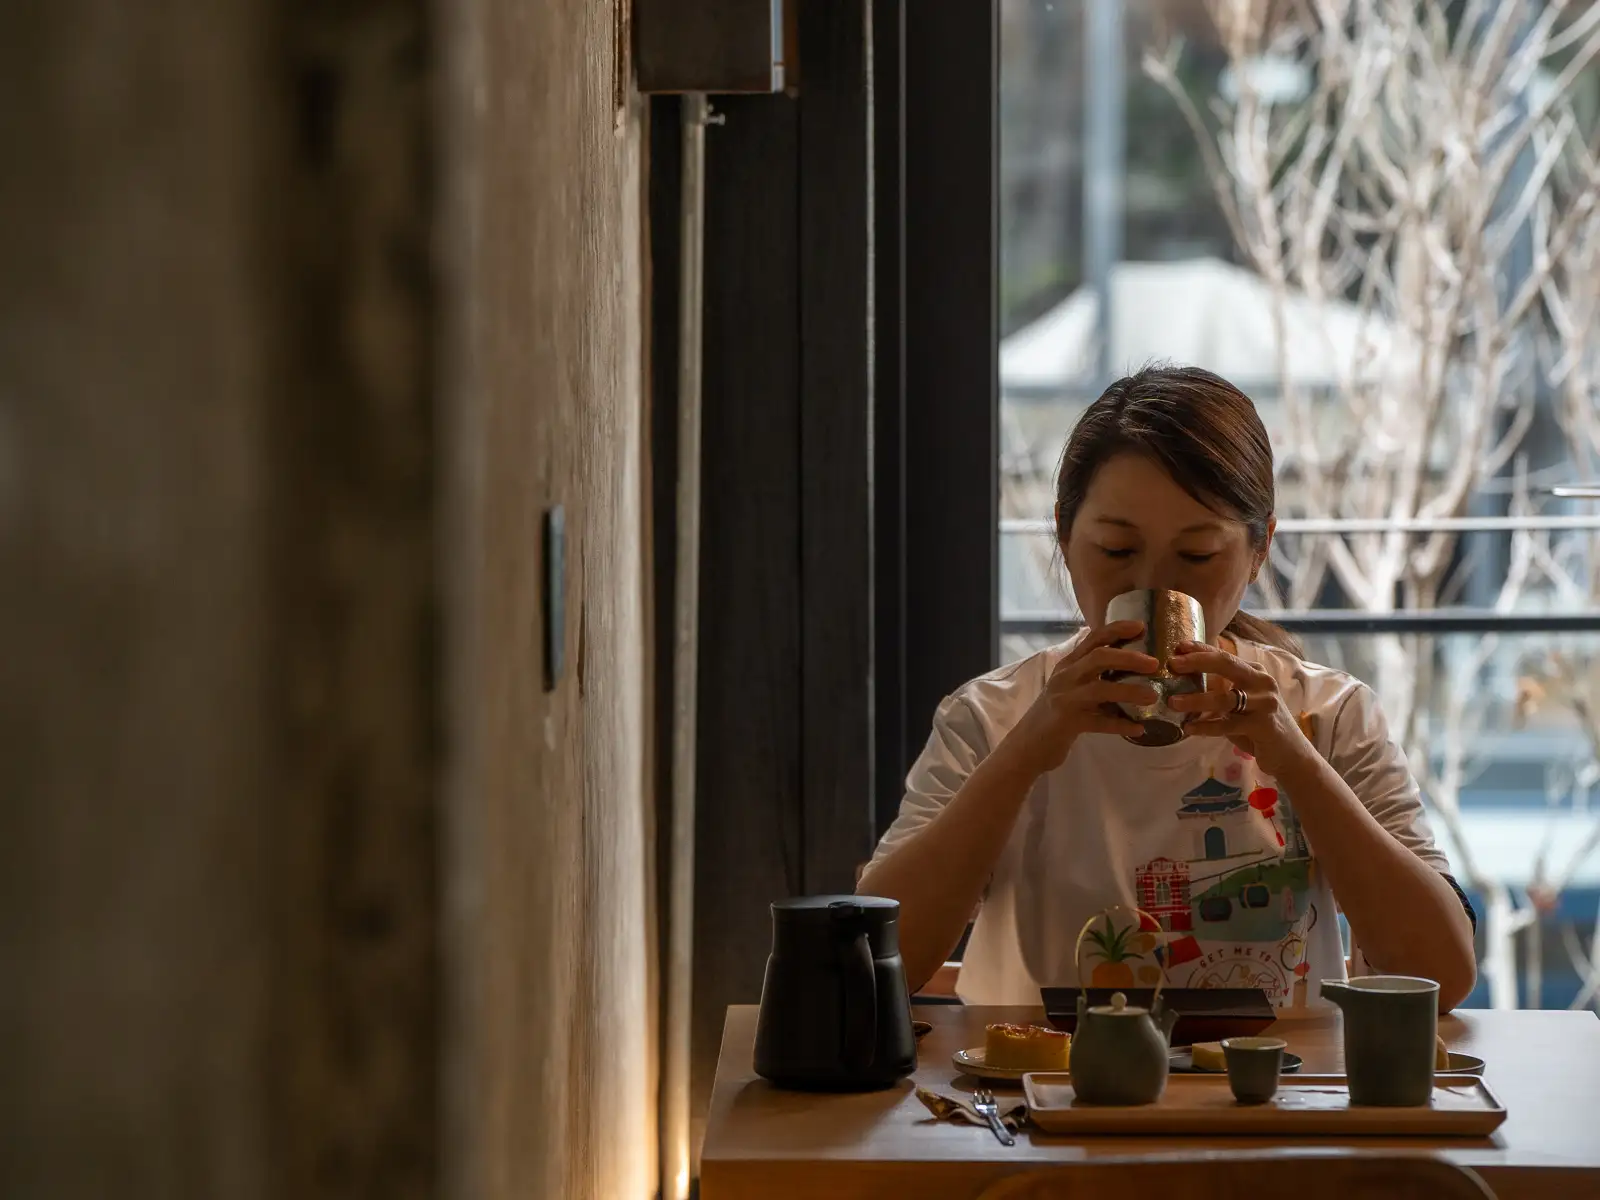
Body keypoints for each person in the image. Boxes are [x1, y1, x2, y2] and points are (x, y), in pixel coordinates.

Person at [858, 365, 1478, 1012]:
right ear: (1066, 541)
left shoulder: (1327, 715)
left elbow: (1443, 974)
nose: (1155, 584)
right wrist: (1028, 748)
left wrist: (1290, 754)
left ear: (1260, 549)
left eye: (1198, 557)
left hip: (1267, 1105)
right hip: (1040, 1102)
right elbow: (877, 968)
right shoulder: (991, 717)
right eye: (1116, 550)